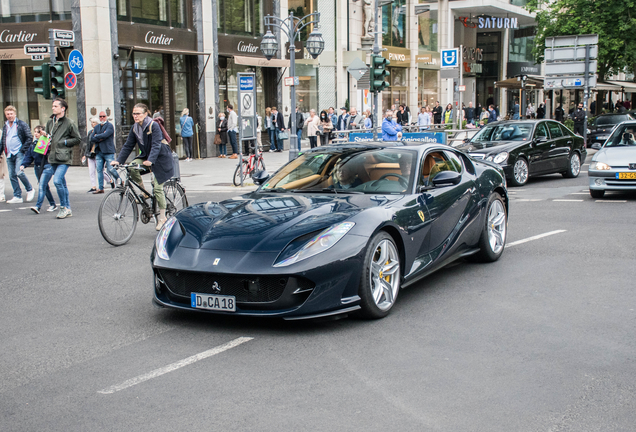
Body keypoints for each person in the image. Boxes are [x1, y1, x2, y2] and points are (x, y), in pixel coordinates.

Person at [111, 103, 174, 230]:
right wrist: (118, 161)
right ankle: (143, 192)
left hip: (161, 158)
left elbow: (156, 144)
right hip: (147, 157)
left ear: (145, 114)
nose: (135, 116)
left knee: (157, 188)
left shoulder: (153, 125)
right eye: (134, 113)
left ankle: (162, 217)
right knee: (132, 167)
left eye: (138, 113)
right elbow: (128, 145)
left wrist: (150, 160)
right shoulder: (135, 128)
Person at [41, 98, 81, 219]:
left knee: (57, 181)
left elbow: (77, 139)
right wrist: (45, 136)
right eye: (52, 106)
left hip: (64, 157)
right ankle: (67, 208)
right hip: (53, 156)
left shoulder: (69, 123)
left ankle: (63, 207)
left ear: (62, 108)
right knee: (62, 183)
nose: (53, 108)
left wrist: (64, 142)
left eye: (55, 106)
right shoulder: (50, 122)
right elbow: (49, 137)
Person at [1, 105, 35, 203]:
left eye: (11, 114)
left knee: (19, 172)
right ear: (5, 115)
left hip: (19, 152)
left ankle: (29, 189)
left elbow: (29, 137)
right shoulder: (5, 126)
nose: (9, 116)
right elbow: (3, 140)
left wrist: (22, 150)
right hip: (9, 154)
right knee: (12, 175)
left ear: (15, 114)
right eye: (7, 114)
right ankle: (17, 196)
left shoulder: (21, 124)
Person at [21, 126, 57, 213]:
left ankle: (38, 206)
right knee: (45, 186)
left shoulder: (47, 142)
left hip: (47, 166)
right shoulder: (33, 144)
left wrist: (47, 138)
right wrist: (23, 165)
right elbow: (29, 156)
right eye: (35, 132)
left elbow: (49, 151)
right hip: (37, 167)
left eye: (39, 132)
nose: (36, 134)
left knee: (41, 185)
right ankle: (52, 204)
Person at [91, 111, 119, 193]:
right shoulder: (97, 127)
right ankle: (101, 188)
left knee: (111, 169)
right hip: (99, 151)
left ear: (106, 117)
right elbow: (92, 138)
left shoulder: (109, 126)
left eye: (103, 116)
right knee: (99, 170)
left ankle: (120, 180)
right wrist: (100, 136)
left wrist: (97, 136)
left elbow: (106, 135)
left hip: (108, 151)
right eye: (100, 116)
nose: (102, 118)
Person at [82, 117, 99, 193]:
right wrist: (85, 154)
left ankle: (110, 180)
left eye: (94, 122)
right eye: (91, 122)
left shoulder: (99, 132)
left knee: (100, 170)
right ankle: (93, 186)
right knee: (91, 171)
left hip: (97, 153)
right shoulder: (90, 132)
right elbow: (88, 144)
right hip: (90, 154)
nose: (92, 124)